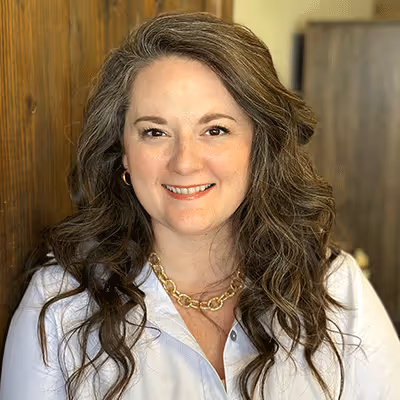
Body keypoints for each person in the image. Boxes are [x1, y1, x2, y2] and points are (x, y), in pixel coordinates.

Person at [1, 11, 399, 400]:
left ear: (258, 146)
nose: (185, 162)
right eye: (155, 132)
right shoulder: (59, 306)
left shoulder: (338, 290)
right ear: (123, 151)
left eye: (215, 130)